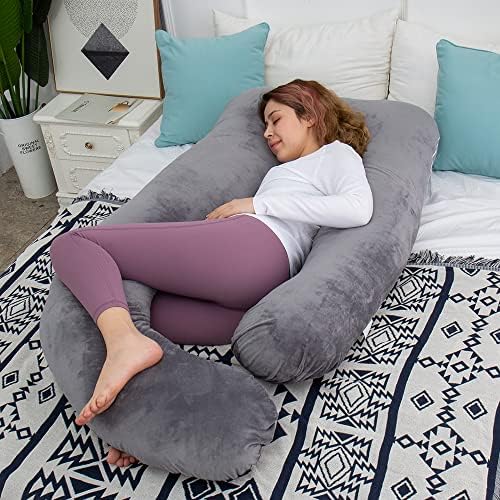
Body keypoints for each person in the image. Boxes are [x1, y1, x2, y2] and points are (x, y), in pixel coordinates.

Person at [49, 79, 373, 467]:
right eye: (264, 125)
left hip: (254, 246)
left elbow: (358, 208)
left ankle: (123, 344)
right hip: (248, 298)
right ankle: (138, 418)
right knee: (139, 316)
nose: (267, 133)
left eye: (276, 119)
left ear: (310, 114)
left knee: (76, 243)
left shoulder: (335, 154)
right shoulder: (292, 168)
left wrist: (257, 205)